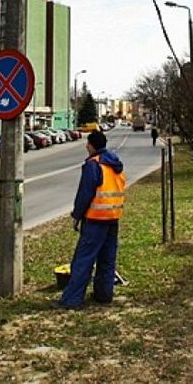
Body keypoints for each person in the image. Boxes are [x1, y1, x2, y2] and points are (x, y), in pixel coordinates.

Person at [52, 130, 126, 309]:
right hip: (113, 218)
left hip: (95, 220)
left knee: (83, 260)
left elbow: (85, 194)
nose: (86, 146)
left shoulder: (94, 165)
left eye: (88, 144)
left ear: (92, 146)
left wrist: (77, 216)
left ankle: (72, 300)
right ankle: (104, 295)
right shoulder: (115, 164)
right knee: (107, 259)